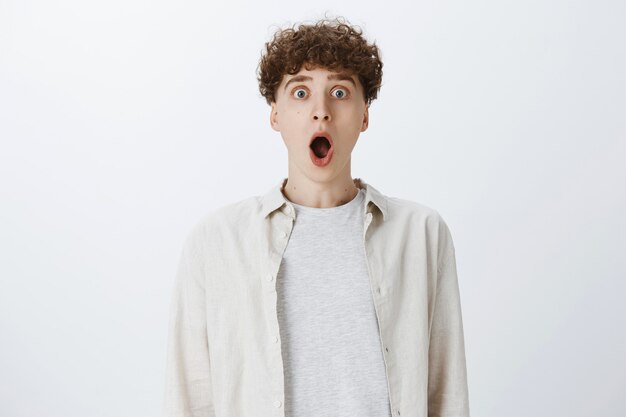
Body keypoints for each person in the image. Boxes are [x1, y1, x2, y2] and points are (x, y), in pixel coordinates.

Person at [163, 16, 470, 417]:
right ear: (275, 114)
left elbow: (445, 395)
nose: (321, 112)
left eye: (340, 92)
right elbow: (191, 398)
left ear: (364, 115)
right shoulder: (216, 241)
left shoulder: (421, 235)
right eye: (301, 92)